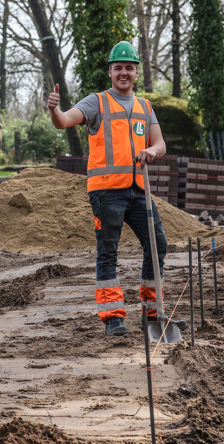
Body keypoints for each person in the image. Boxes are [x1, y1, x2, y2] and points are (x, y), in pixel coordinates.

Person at [47, 41, 187, 337]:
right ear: (110, 72)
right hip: (106, 191)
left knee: (157, 244)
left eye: (129, 68)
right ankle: (113, 318)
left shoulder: (144, 107)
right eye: (118, 68)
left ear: (136, 72)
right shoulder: (96, 102)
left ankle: (153, 312)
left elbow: (160, 143)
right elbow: (64, 121)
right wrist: (54, 109)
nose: (124, 73)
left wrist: (152, 150)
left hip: (139, 190)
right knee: (108, 251)